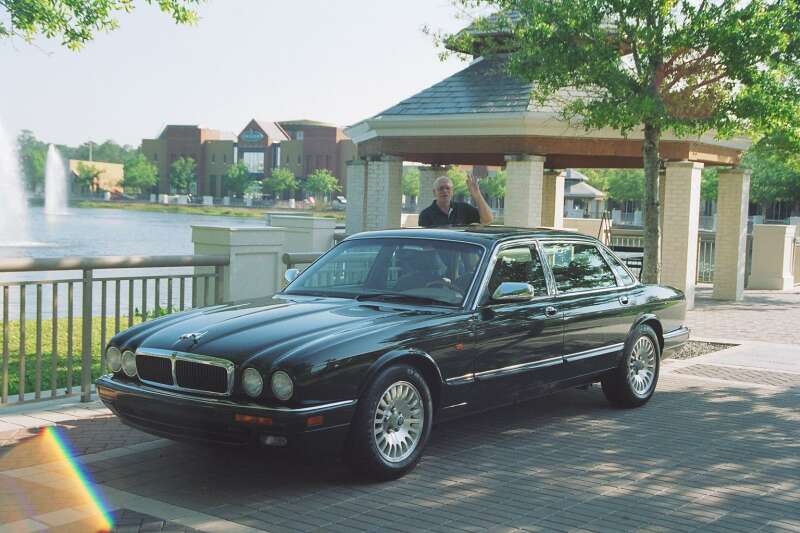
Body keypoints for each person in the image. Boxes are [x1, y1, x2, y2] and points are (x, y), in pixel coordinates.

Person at [418, 175, 494, 227]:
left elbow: (487, 220)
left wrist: (477, 195)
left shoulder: (464, 209)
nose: (445, 191)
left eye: (448, 188)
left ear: (452, 191)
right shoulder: (426, 214)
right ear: (434, 192)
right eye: (441, 188)